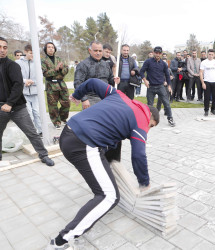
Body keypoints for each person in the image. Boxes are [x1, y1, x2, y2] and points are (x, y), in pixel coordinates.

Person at [45, 78, 159, 249]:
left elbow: (92, 82)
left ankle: (107, 175)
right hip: (83, 144)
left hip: (68, 133)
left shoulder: (119, 95)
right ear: (150, 116)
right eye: (152, 126)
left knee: (112, 146)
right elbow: (139, 156)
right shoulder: (142, 120)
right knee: (109, 196)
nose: (148, 129)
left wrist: (77, 95)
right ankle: (62, 240)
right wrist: (144, 182)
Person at [0, 37, 54, 166]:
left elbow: (18, 85)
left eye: (5, 47)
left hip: (18, 107)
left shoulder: (13, 65)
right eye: (0, 47)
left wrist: (10, 103)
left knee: (32, 132)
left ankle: (44, 155)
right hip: (1, 108)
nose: (2, 50)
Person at [74, 41, 119, 109]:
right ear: (90, 50)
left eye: (100, 51)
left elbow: (110, 80)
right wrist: (84, 99)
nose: (98, 53)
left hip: (106, 98)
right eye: (95, 51)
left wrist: (115, 80)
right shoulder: (83, 65)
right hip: (90, 99)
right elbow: (78, 83)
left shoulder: (106, 65)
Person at [140, 46, 176, 127]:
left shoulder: (163, 64)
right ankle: (148, 119)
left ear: (161, 54)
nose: (158, 55)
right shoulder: (148, 62)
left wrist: (169, 86)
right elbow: (141, 72)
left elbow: (167, 75)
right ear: (153, 53)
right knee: (150, 105)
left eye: (159, 53)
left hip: (160, 86)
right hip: (151, 87)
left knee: (166, 103)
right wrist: (145, 80)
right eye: (156, 53)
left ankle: (170, 118)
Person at [41, 42, 70, 129]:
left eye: (52, 47)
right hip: (51, 85)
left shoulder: (59, 59)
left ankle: (63, 118)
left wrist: (61, 69)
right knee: (53, 105)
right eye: (49, 47)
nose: (51, 49)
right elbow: (45, 73)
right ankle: (56, 122)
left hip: (61, 84)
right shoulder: (43, 60)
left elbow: (66, 69)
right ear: (46, 49)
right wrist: (55, 69)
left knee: (66, 102)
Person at [15, 44, 42, 136]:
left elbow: (40, 78)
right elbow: (15, 77)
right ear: (25, 52)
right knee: (29, 113)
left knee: (37, 112)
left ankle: (40, 130)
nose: (32, 55)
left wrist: (32, 82)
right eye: (31, 53)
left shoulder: (37, 63)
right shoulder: (18, 63)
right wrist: (24, 81)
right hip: (24, 93)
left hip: (35, 92)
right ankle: (32, 132)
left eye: (34, 53)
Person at [200, 49, 215, 116]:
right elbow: (201, 73)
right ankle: (206, 110)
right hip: (207, 82)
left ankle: (213, 110)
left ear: (214, 55)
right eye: (209, 54)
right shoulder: (204, 62)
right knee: (207, 97)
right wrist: (203, 83)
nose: (211, 56)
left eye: (212, 54)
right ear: (207, 54)